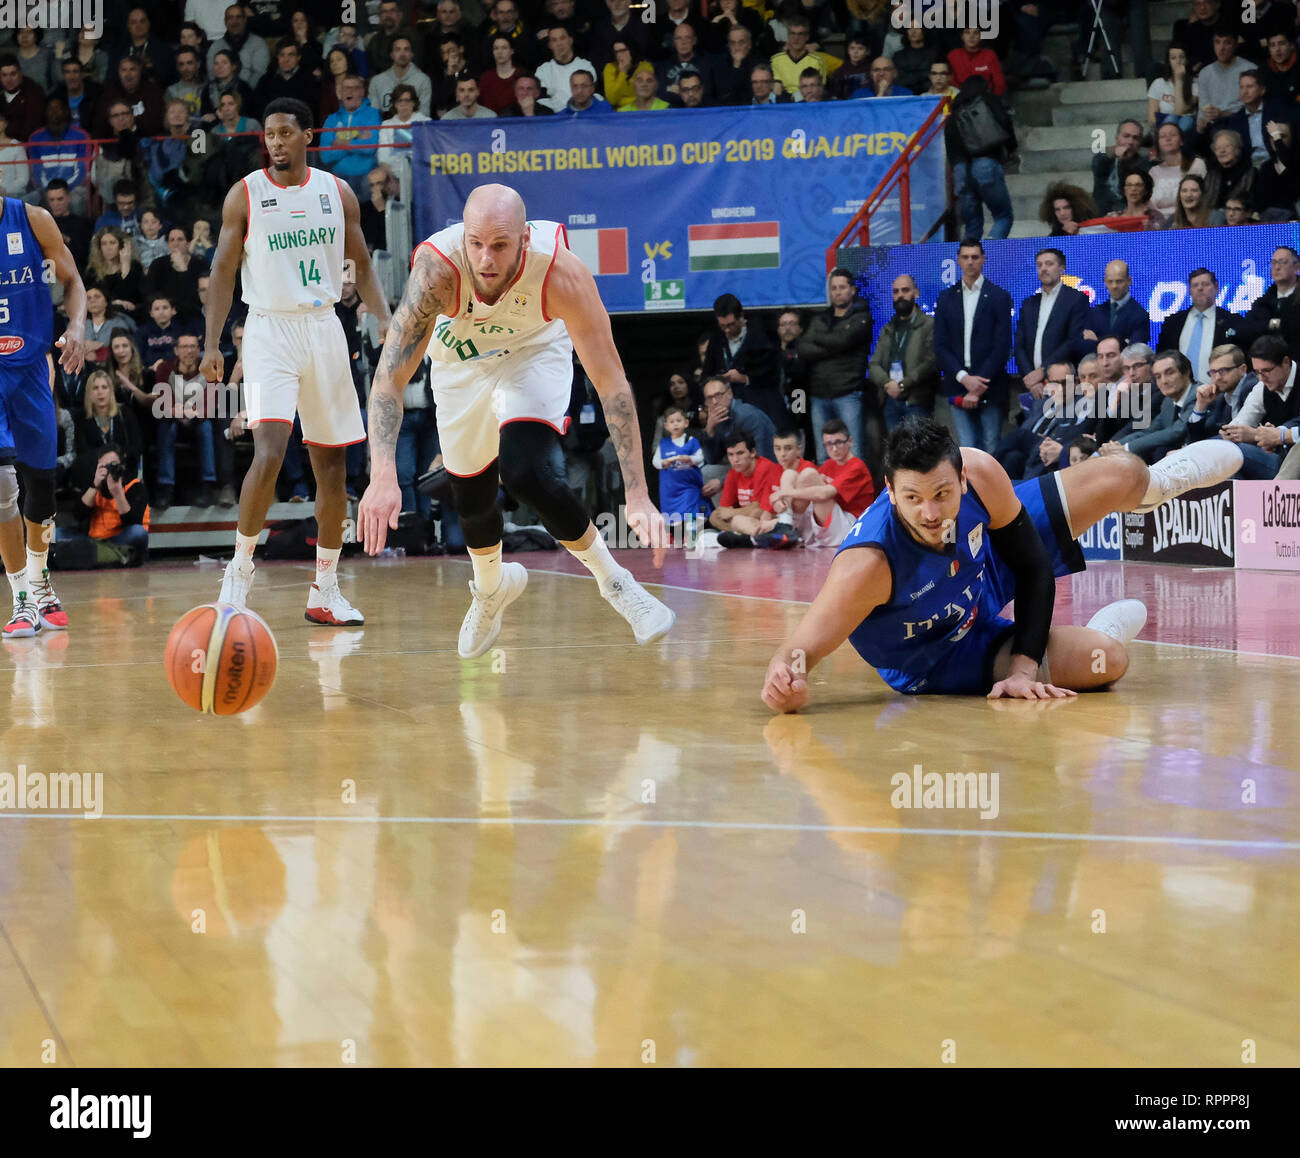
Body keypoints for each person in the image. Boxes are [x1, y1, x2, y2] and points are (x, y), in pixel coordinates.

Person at [357, 183, 675, 656]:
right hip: (460, 363)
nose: (485, 259)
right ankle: (490, 588)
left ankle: (617, 583)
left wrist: (637, 493)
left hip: (532, 351)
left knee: (526, 471)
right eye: (476, 243)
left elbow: (612, 383)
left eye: (500, 245)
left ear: (524, 240)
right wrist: (382, 473)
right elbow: (388, 380)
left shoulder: (561, 274)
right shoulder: (437, 273)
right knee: (470, 492)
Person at [760, 419, 1245, 709]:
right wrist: (785, 686)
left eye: (942, 494)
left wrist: (1026, 667)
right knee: (1106, 661)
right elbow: (795, 653)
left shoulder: (983, 473)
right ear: (890, 491)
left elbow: (1033, 567)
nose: (930, 513)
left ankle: (1155, 485)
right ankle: (1102, 631)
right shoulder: (866, 568)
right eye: (912, 498)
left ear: (964, 478)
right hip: (940, 649)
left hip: (981, 565)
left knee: (1121, 474)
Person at [200, 97, 392, 626]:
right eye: (270, 134)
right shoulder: (246, 194)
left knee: (332, 467)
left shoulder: (337, 192)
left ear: (308, 136)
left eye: (286, 132)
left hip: (325, 329)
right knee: (270, 448)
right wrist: (213, 342)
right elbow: (220, 271)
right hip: (266, 332)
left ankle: (325, 589)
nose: (276, 142)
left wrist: (384, 316)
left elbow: (362, 260)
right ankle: (238, 573)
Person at [0, 194, 87, 638]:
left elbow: (73, 281)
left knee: (41, 488)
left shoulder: (33, 220)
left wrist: (75, 326)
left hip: (32, 367)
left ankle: (39, 582)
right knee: (0, 484)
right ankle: (20, 599)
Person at [933, 238, 1012, 453]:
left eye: (975, 257)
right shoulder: (946, 298)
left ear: (983, 260)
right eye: (965, 257)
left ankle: (991, 489)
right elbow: (940, 345)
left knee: (991, 446)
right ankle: (971, 488)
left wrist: (978, 385)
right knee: (966, 449)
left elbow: (1002, 346)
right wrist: (964, 378)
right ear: (958, 260)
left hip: (990, 384)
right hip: (957, 384)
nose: (970, 262)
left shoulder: (999, 297)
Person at [797, 270, 873, 464]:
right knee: (824, 457)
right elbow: (803, 348)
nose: (837, 292)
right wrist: (837, 346)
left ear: (852, 290)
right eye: (833, 288)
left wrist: (820, 339)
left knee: (854, 453)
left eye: (842, 287)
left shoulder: (862, 317)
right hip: (819, 395)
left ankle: (860, 495)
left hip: (848, 393)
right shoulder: (820, 319)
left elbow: (843, 340)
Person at [55, 442, 150, 566]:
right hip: (93, 539)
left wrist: (117, 492)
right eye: (104, 466)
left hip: (119, 539)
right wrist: (94, 487)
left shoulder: (135, 486)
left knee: (138, 532)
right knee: (54, 534)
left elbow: (132, 521)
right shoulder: (93, 483)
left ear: (122, 466)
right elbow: (78, 515)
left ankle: (100, 555)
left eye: (113, 466)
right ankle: (109, 556)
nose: (109, 470)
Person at [945, 75, 1015, 240]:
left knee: (972, 225)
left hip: (961, 171)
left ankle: (969, 258)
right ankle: (991, 249)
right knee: (1003, 216)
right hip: (986, 163)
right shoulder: (989, 101)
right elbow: (1006, 125)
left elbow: (951, 150)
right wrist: (1011, 150)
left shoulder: (953, 112)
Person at [1014, 248, 1091, 397]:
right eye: (1039, 265)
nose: (1043, 268)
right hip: (1033, 386)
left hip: (1063, 384)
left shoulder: (1076, 299)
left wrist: (1043, 371)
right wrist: (1031, 378)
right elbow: (1019, 345)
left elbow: (1073, 340)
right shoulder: (1029, 303)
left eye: (1049, 264)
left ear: (1062, 268)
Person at [703, 292, 784, 426]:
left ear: (741, 317)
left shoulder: (762, 337)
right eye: (723, 326)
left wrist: (744, 378)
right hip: (726, 411)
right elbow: (707, 373)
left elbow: (773, 375)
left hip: (759, 406)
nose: (727, 330)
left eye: (731, 324)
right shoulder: (716, 340)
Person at [869, 273, 937, 432]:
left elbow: (932, 361)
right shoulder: (888, 328)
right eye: (896, 291)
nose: (900, 295)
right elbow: (873, 364)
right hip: (890, 400)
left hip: (917, 400)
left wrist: (903, 384)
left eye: (905, 290)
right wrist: (887, 383)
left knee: (919, 453)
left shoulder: (928, 324)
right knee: (896, 453)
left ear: (916, 293)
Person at [1157, 267, 1248, 382]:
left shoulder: (1233, 321)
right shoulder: (1173, 322)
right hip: (1179, 393)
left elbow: (1241, 359)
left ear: (1216, 288)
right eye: (1195, 285)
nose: (1200, 288)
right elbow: (1162, 358)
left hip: (1221, 391)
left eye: (1205, 284)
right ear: (1190, 291)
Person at [653, 405, 705, 528]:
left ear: (686, 423)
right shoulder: (663, 443)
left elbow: (700, 458)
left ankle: (691, 537)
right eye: (672, 422)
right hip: (670, 490)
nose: (675, 424)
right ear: (666, 426)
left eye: (679, 421)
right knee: (673, 519)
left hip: (688, 487)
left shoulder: (691, 440)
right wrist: (664, 463)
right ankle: (675, 540)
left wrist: (690, 459)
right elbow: (655, 462)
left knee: (690, 513)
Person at [1092, 119, 1151, 216]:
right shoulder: (1102, 158)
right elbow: (1098, 165)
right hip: (1102, 216)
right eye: (1126, 136)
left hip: (1129, 217)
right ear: (1117, 138)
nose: (1130, 141)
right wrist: (1115, 154)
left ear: (1140, 143)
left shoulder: (1144, 165)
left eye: (1135, 138)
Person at [1087, 260, 1151, 347]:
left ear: (1129, 281)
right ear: (1105, 282)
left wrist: (1098, 341)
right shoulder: (1095, 313)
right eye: (1110, 281)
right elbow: (1086, 346)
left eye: (1119, 281)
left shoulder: (1141, 315)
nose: (1114, 286)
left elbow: (1133, 351)